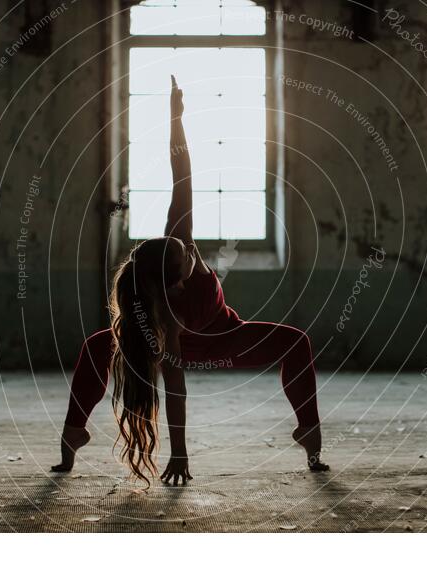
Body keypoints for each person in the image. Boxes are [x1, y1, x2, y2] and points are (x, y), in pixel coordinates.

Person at [51, 75, 329, 486]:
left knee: (296, 342)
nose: (191, 254)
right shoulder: (158, 313)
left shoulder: (177, 239)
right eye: (185, 262)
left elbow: (181, 172)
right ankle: (72, 434)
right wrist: (179, 455)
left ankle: (308, 431)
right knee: (98, 346)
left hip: (227, 337)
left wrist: (175, 118)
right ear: (171, 281)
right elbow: (175, 387)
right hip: (191, 343)